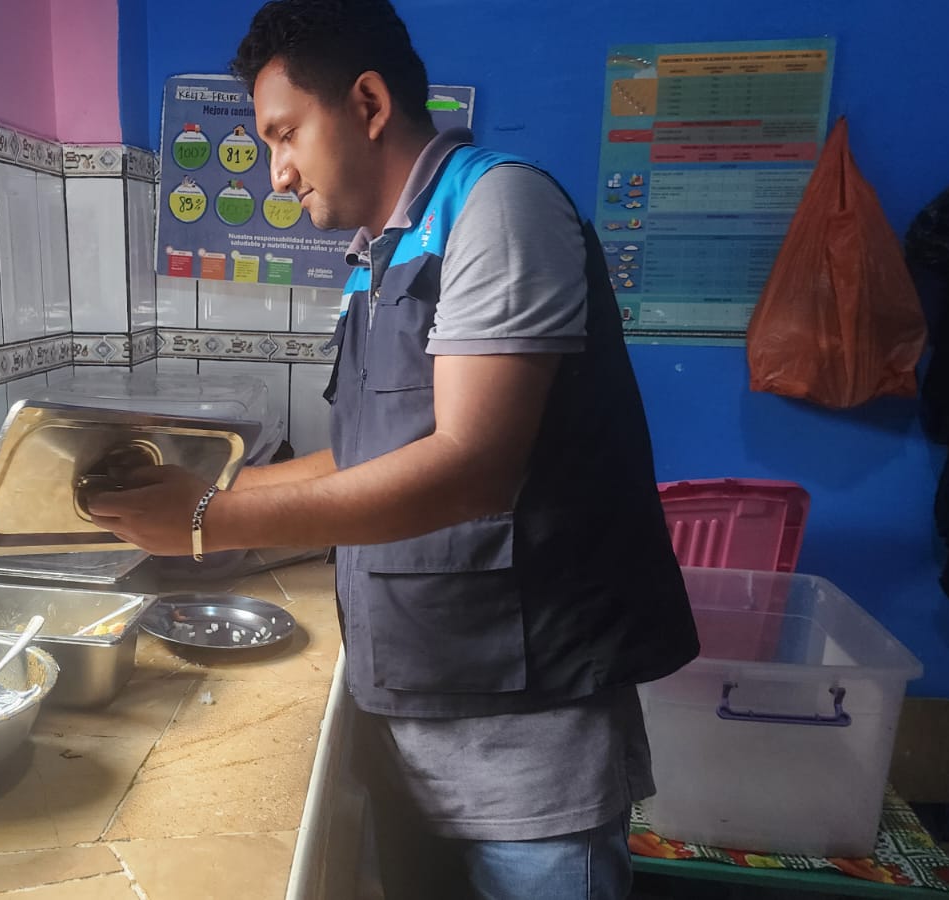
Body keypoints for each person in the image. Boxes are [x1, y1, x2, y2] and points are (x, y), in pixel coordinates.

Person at [87, 1, 699, 897]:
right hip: (415, 719)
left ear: (368, 104)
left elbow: (472, 467)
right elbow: (362, 454)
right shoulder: (382, 257)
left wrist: (211, 521)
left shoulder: (499, 209)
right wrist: (214, 487)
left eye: (285, 134)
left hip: (526, 744)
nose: (276, 174)